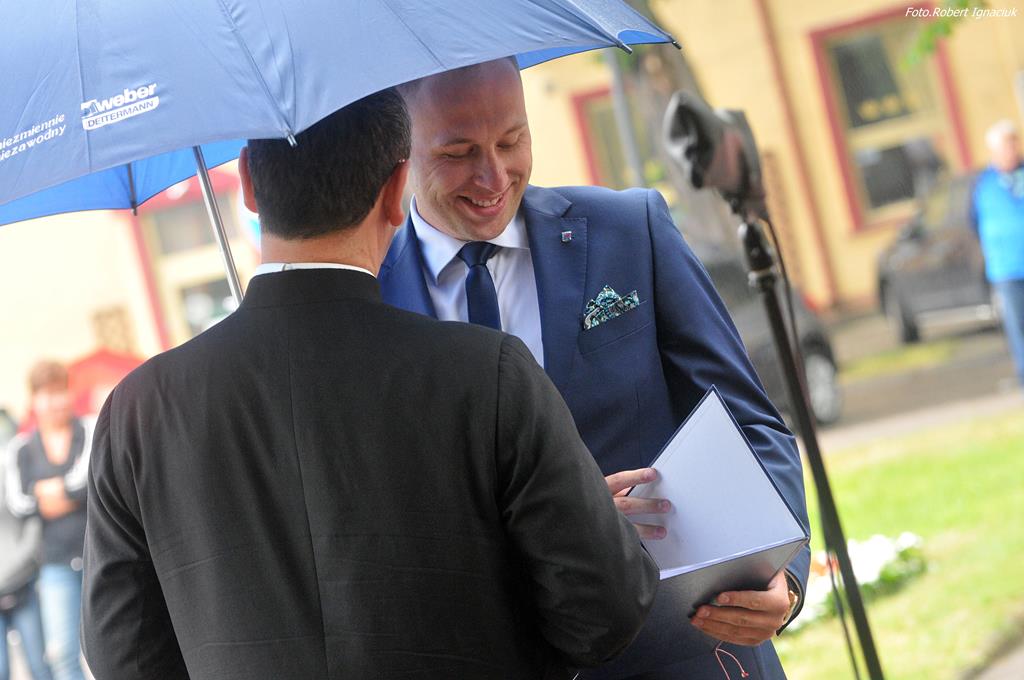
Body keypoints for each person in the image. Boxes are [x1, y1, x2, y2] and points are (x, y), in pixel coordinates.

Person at [81, 88, 658, 680]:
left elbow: (123, 655)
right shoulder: (488, 374)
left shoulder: (136, 413)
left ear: (249, 183)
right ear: (395, 188)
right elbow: (603, 615)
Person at [380, 59, 810, 679]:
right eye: (458, 153)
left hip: (689, 651)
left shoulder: (629, 229)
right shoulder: (368, 298)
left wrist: (782, 574)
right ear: (401, 151)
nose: (494, 175)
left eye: (512, 140)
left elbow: (749, 421)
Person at [5, 362, 89, 680]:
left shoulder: (89, 430)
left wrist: (47, 491)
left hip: (99, 554)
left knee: (122, 642)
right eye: (46, 394)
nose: (54, 402)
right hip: (54, 564)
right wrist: (68, 492)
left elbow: (89, 482)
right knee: (63, 655)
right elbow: (19, 503)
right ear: (34, 400)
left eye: (59, 392)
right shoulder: (22, 449)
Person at [971, 119, 1024, 386]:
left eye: (1014, 143)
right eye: (1006, 146)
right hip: (1006, 268)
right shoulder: (984, 183)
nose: (1012, 150)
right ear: (994, 151)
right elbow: (973, 221)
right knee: (1018, 325)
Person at [1, 440, 54, 680]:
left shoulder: (9, 466)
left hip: (21, 581)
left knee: (39, 666)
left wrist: (21, 562)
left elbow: (31, 514)